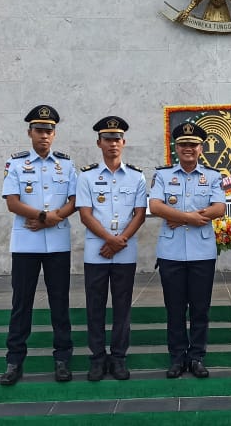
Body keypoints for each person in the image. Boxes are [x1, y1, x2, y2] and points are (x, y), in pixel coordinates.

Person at [0, 105, 77, 385]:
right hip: (26, 244)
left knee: (60, 303)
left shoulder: (66, 165)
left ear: (54, 134)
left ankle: (62, 359)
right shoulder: (17, 164)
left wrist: (50, 220)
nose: (44, 135)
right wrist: (44, 217)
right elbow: (12, 202)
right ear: (29, 132)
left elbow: (73, 201)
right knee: (22, 304)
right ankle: (14, 361)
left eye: (49, 130)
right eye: (40, 130)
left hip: (57, 244)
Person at [149, 122, 225, 379]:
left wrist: (182, 218)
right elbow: (156, 206)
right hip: (171, 252)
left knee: (200, 309)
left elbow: (218, 208)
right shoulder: (163, 175)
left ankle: (197, 357)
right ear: (176, 148)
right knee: (175, 309)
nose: (188, 149)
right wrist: (188, 217)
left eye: (193, 145)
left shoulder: (213, 176)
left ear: (201, 148)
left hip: (202, 252)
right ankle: (177, 358)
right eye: (183, 145)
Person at [76, 116, 147, 382]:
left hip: (124, 251)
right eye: (108, 139)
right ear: (99, 143)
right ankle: (96, 358)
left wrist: (119, 241)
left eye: (117, 139)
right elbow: (85, 214)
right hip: (97, 251)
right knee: (95, 307)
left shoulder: (137, 177)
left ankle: (118, 357)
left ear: (124, 142)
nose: (113, 144)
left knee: (122, 308)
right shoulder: (86, 176)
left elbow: (140, 214)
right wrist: (109, 239)